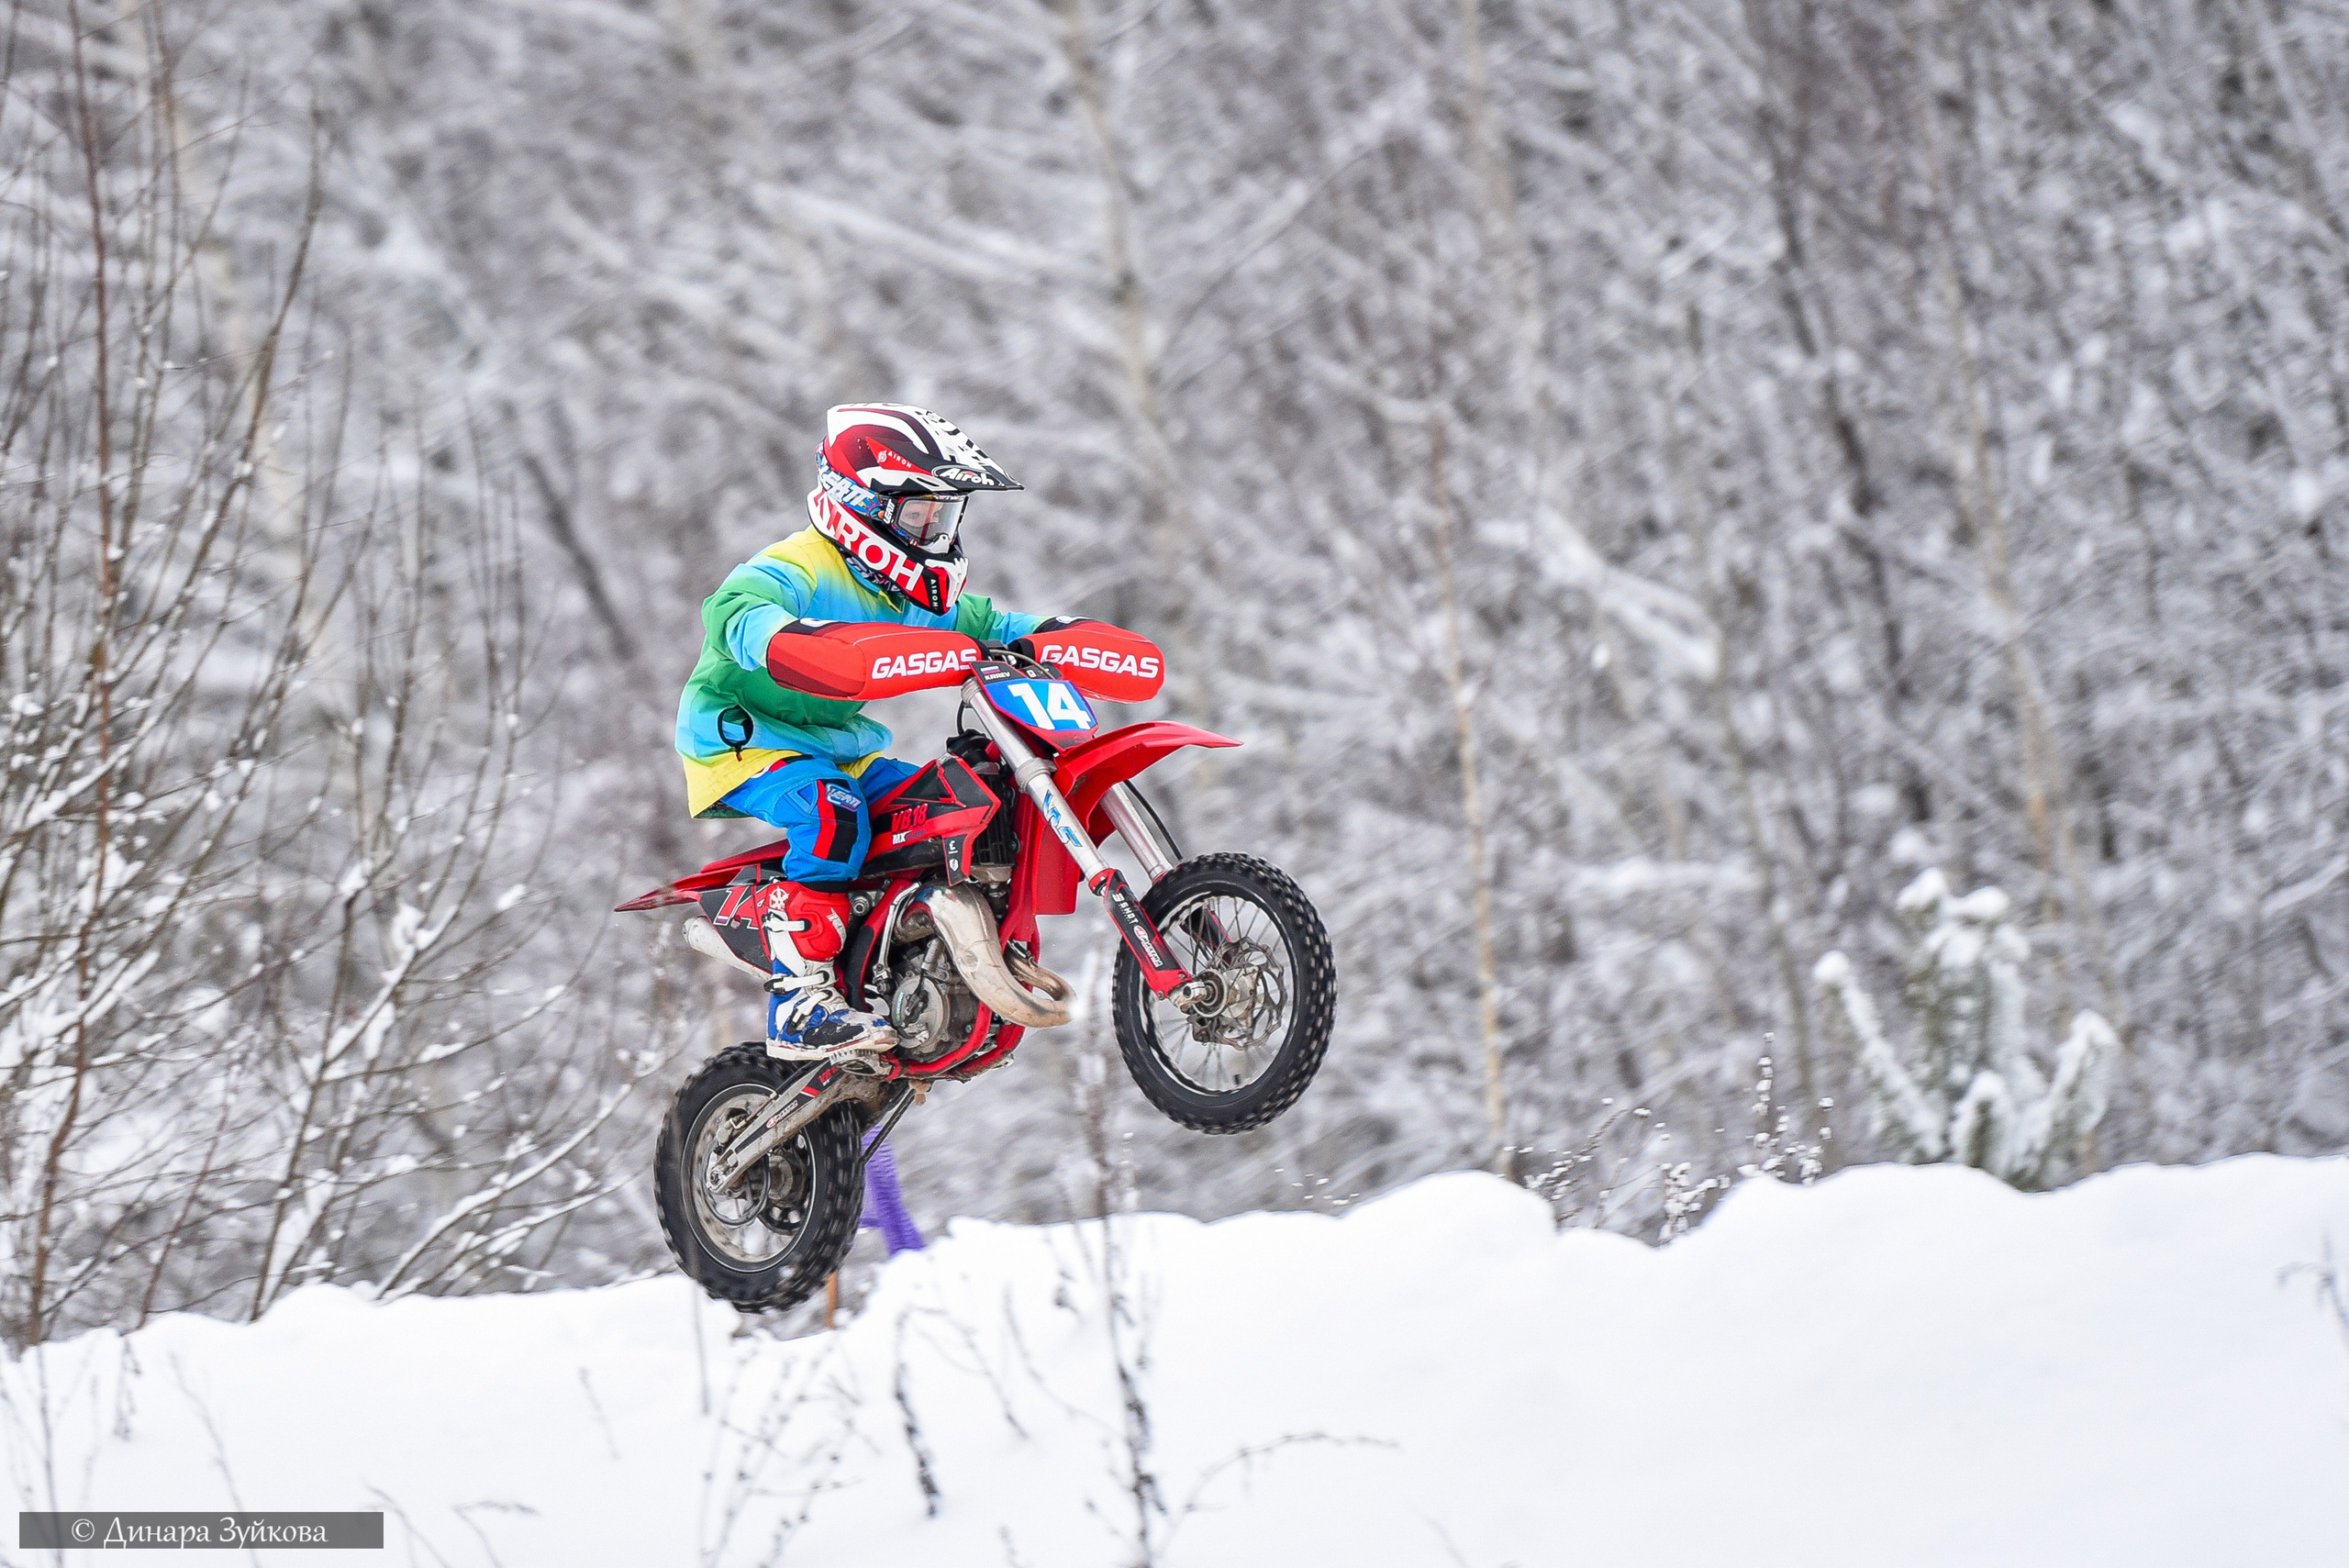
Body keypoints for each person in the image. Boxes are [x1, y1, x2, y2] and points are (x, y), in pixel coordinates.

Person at [676, 404, 1059, 1064]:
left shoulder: (908, 591)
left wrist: (1061, 634)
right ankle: (797, 1001)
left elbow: (992, 621)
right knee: (835, 812)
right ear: (863, 503)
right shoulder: (800, 566)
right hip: (743, 740)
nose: (934, 529)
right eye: (919, 513)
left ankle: (906, 950)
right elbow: (733, 606)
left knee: (952, 803)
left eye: (944, 515)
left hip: (837, 747)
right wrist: (778, 639)